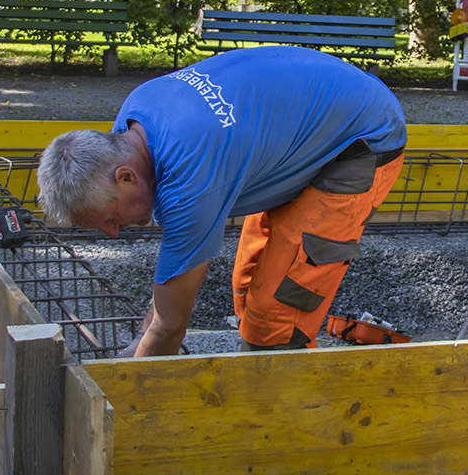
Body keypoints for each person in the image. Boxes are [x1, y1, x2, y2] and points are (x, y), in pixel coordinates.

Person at [36, 47, 407, 356]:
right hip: (309, 116)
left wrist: (124, 385)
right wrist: (138, 345)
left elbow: (169, 328)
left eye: (109, 219)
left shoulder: (189, 180)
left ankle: (275, 418)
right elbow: (169, 290)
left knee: (276, 316)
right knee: (248, 288)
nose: (113, 233)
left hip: (363, 137)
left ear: (126, 177)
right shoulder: (130, 126)